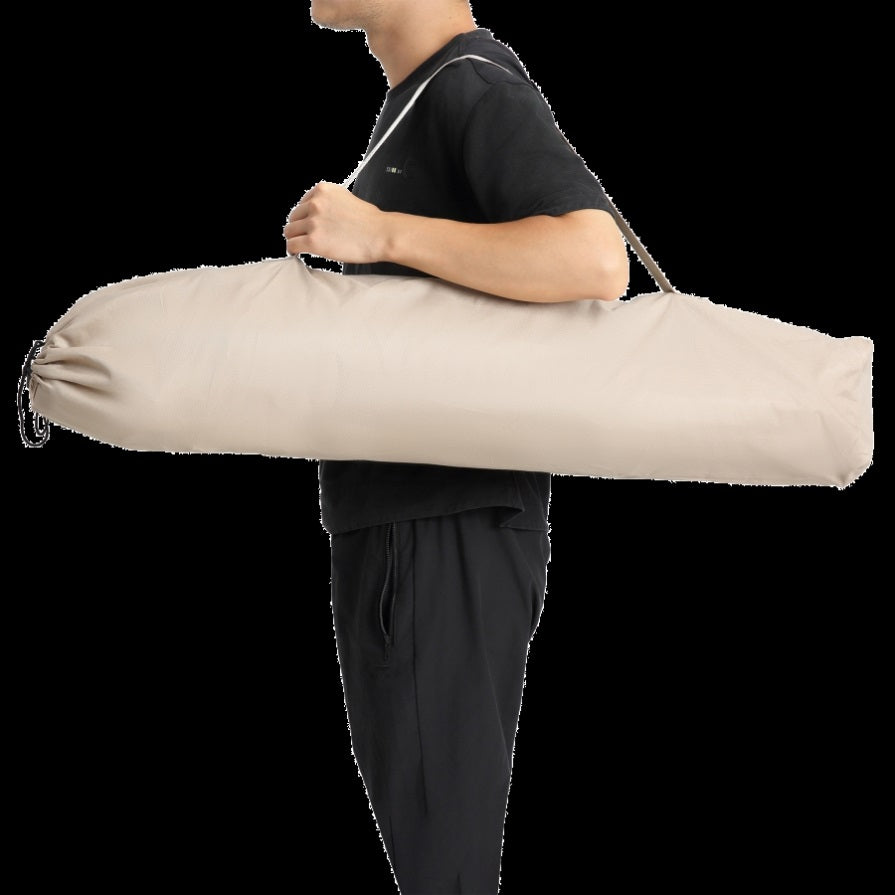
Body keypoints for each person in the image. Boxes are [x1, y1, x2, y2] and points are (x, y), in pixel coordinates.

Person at [285, 2, 629, 892]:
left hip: (438, 528)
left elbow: (595, 260)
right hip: (417, 528)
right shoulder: (419, 99)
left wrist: (380, 232)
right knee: (438, 864)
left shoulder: (467, 84)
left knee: (445, 873)